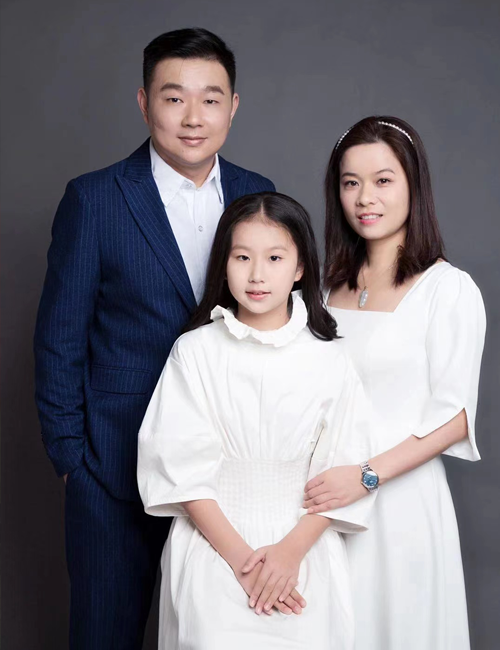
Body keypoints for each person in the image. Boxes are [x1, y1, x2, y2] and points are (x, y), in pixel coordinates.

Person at [34, 28, 275, 650]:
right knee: (105, 634)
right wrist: (72, 461)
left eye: (211, 99)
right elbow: (59, 338)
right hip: (115, 469)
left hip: (227, 476)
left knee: (218, 636)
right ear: (145, 103)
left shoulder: (258, 193)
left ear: (233, 106)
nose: (194, 118)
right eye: (174, 98)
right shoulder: (95, 198)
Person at [137, 192, 376, 650]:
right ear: (223, 264)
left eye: (274, 258)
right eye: (242, 257)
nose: (257, 275)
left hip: (304, 550)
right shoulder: (196, 351)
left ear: (300, 267)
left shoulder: (329, 358)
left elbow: (343, 470)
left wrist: (288, 554)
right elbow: (179, 469)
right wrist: (245, 564)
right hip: (213, 547)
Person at [303, 116, 486, 650]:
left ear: (413, 185)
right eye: (350, 182)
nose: (365, 198)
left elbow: (456, 418)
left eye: (383, 180)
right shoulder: (325, 288)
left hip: (399, 503)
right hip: (324, 501)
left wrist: (365, 477)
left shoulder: (447, 289)